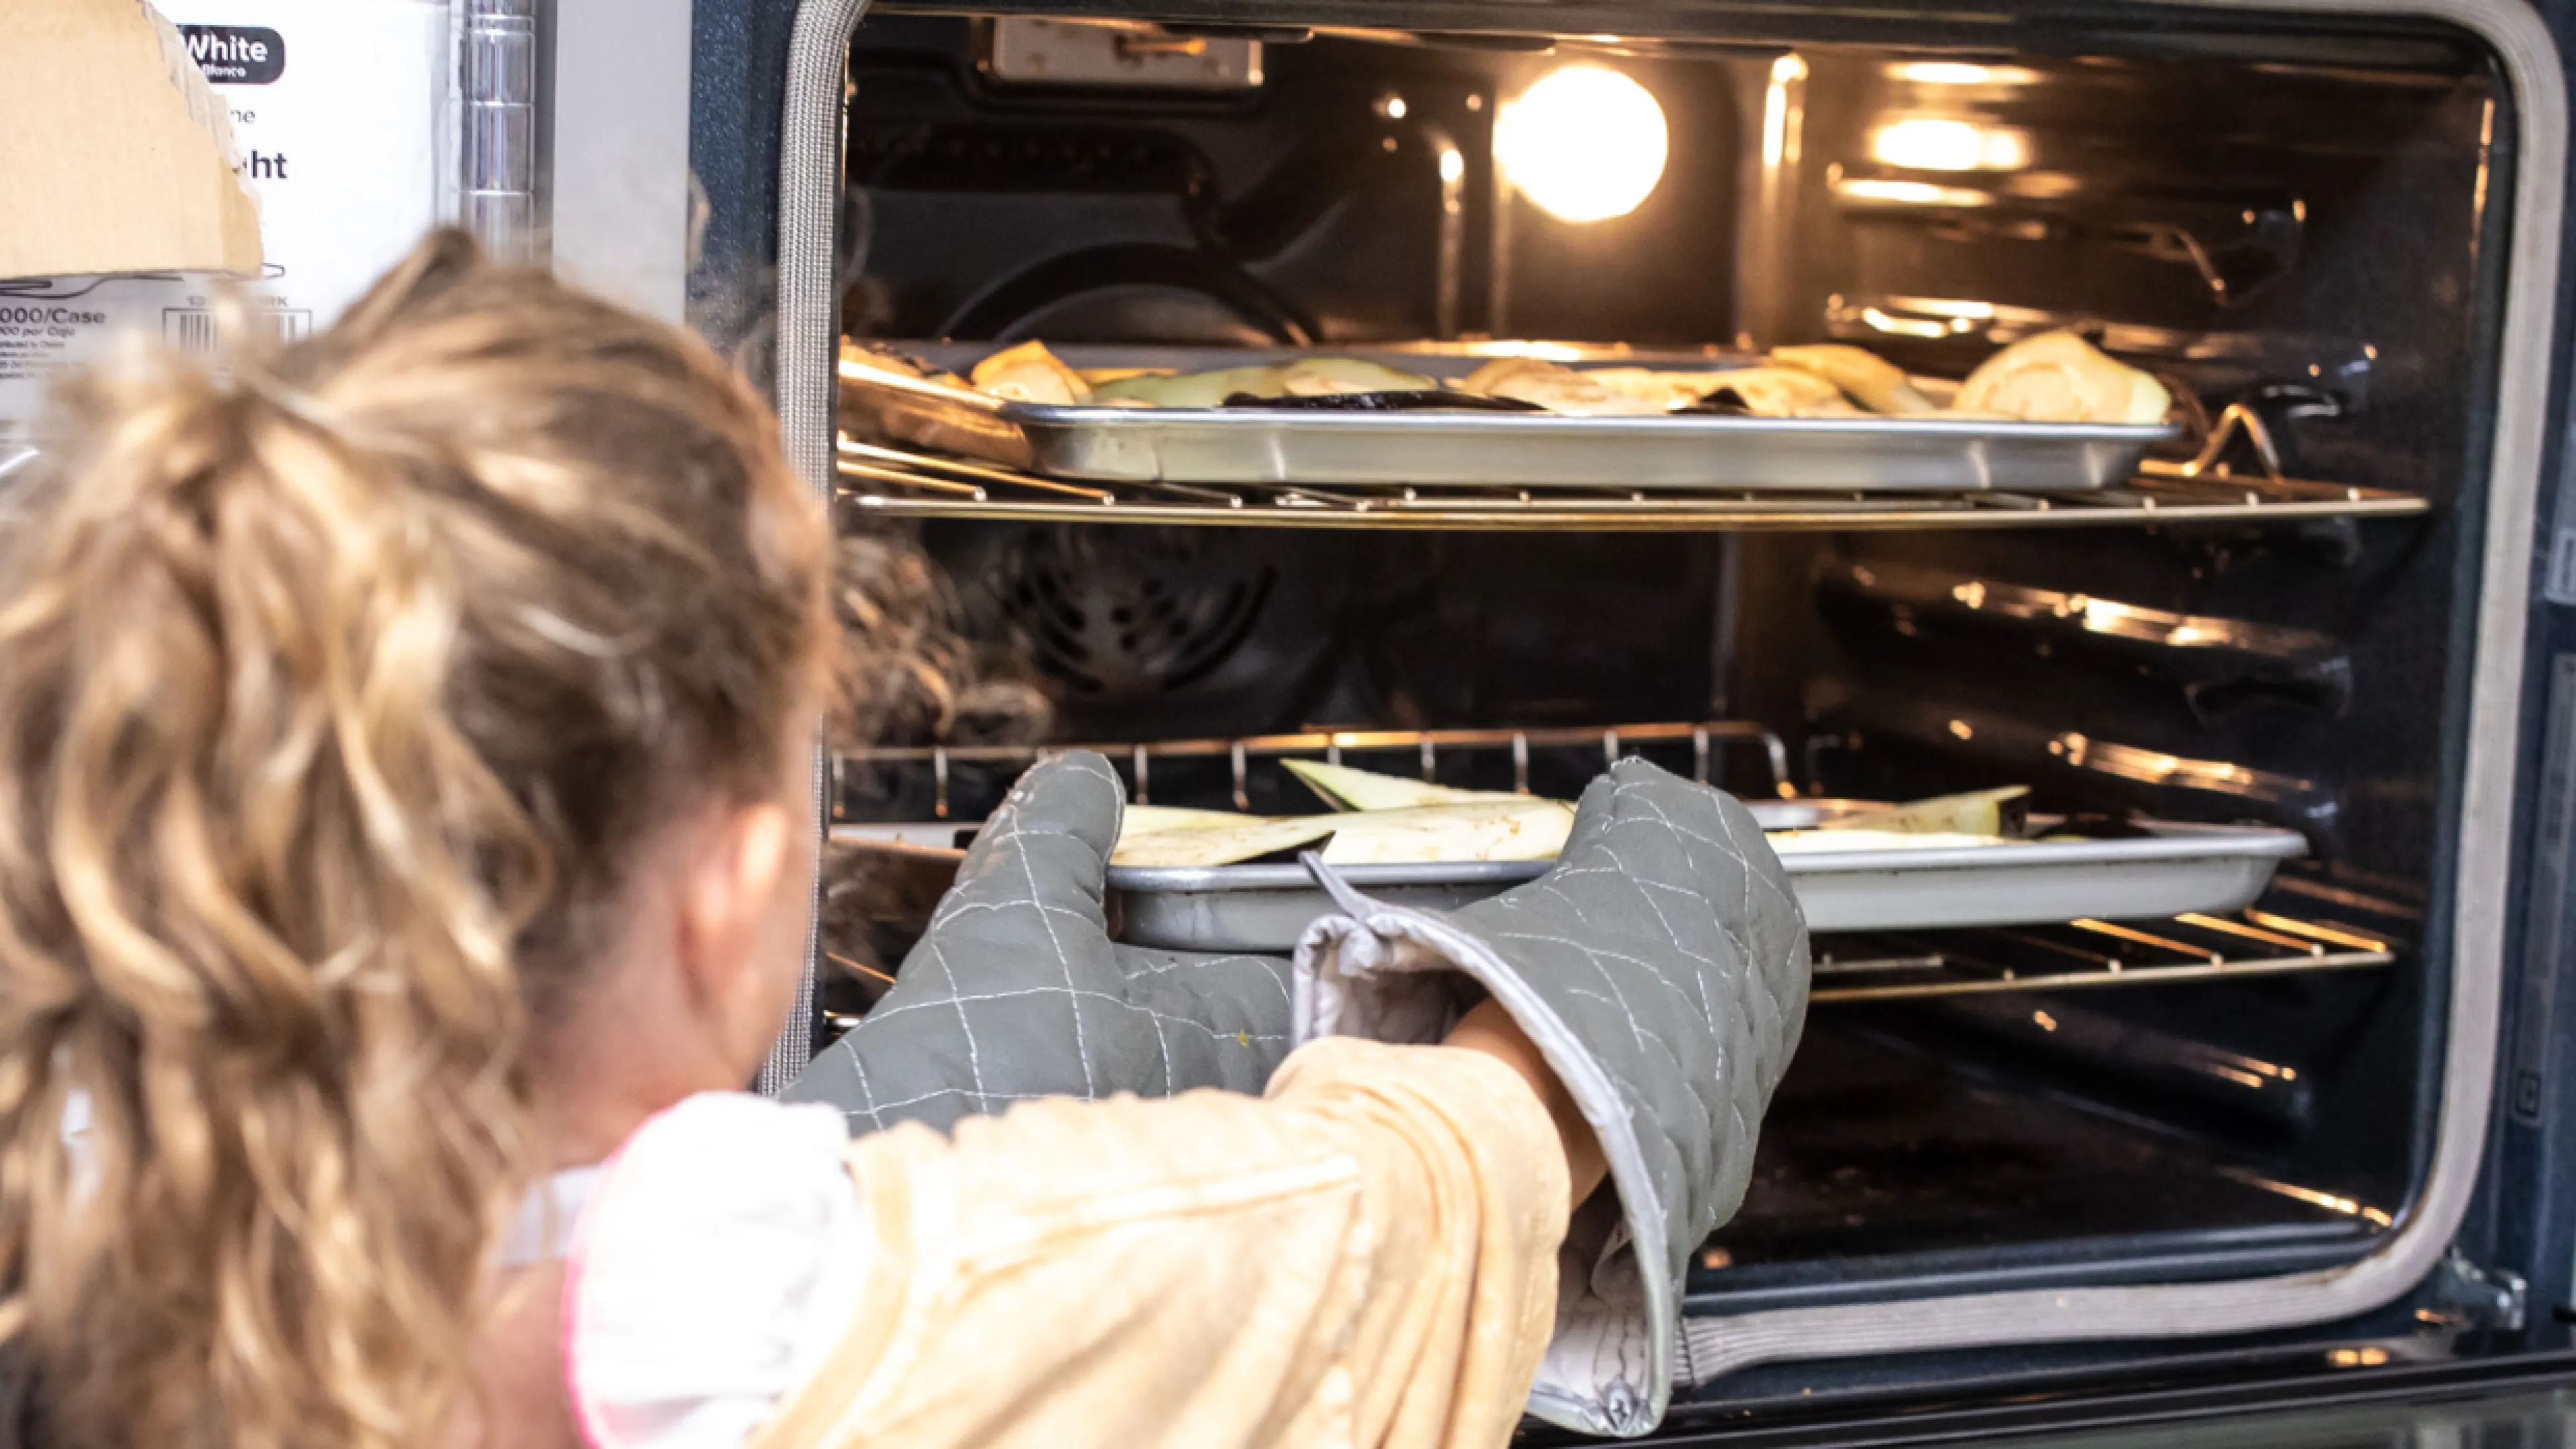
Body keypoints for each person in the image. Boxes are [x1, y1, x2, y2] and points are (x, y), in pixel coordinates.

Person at [0, 232, 1625, 1449]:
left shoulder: (124, 1254)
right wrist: (1562, 1033)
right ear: (725, 899)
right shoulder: (764, 1329)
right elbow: (1371, 1237)